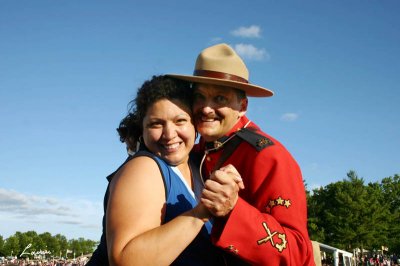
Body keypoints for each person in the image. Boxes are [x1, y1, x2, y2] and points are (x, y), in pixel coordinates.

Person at [168, 43, 316, 265]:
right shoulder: (197, 150)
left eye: (220, 99)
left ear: (242, 105)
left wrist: (233, 209)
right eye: (199, 96)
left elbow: (297, 252)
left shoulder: (268, 156)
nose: (206, 108)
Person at [87, 75, 241, 266]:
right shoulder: (144, 168)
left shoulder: (198, 166)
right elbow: (125, 261)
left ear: (195, 125)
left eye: (180, 121)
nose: (169, 134)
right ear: (142, 128)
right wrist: (202, 212)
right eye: (156, 124)